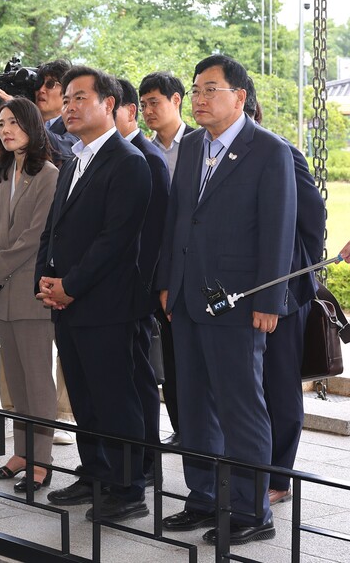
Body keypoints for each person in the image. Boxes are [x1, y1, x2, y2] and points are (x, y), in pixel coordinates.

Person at [157, 54, 296, 545]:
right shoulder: (193, 146)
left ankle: (251, 510)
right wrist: (168, 283)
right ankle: (201, 500)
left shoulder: (269, 151)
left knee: (241, 408)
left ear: (239, 96)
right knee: (192, 405)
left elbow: (278, 232)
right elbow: (179, 221)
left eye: (210, 89)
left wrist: (270, 300)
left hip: (240, 302)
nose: (198, 98)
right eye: (195, 89)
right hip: (189, 299)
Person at [35, 66, 151, 522]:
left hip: (107, 305)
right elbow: (54, 229)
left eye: (81, 98)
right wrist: (45, 280)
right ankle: (96, 474)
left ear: (109, 104)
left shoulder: (128, 162)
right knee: (83, 397)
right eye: (66, 99)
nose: (69, 107)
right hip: (67, 303)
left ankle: (128, 489)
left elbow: (115, 239)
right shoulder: (74, 159)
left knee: (115, 399)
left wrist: (72, 286)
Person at [242, 78, 326, 506]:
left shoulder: (280, 151)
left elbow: (312, 219)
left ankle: (278, 476)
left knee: (279, 383)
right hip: (246, 291)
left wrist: (296, 276)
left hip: (285, 292)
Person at [0, 97, 59, 494]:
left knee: (39, 384)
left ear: (33, 126)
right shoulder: (3, 171)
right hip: (4, 294)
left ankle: (42, 462)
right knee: (17, 383)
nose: (5, 129)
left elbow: (34, 237)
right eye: (2, 123)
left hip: (30, 293)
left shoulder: (50, 175)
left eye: (14, 123)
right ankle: (21, 453)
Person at [115, 77, 171, 484]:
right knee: (119, 380)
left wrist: (146, 288)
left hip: (135, 290)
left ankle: (146, 463)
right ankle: (118, 458)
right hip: (111, 291)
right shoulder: (108, 155)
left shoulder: (146, 157)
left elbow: (153, 234)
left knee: (139, 378)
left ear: (126, 111)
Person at [138, 71, 195, 447]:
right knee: (170, 362)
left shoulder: (200, 144)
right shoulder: (143, 151)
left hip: (196, 274)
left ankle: (203, 433)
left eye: (155, 102)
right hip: (155, 273)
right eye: (143, 104)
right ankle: (182, 429)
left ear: (177, 101)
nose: (148, 111)